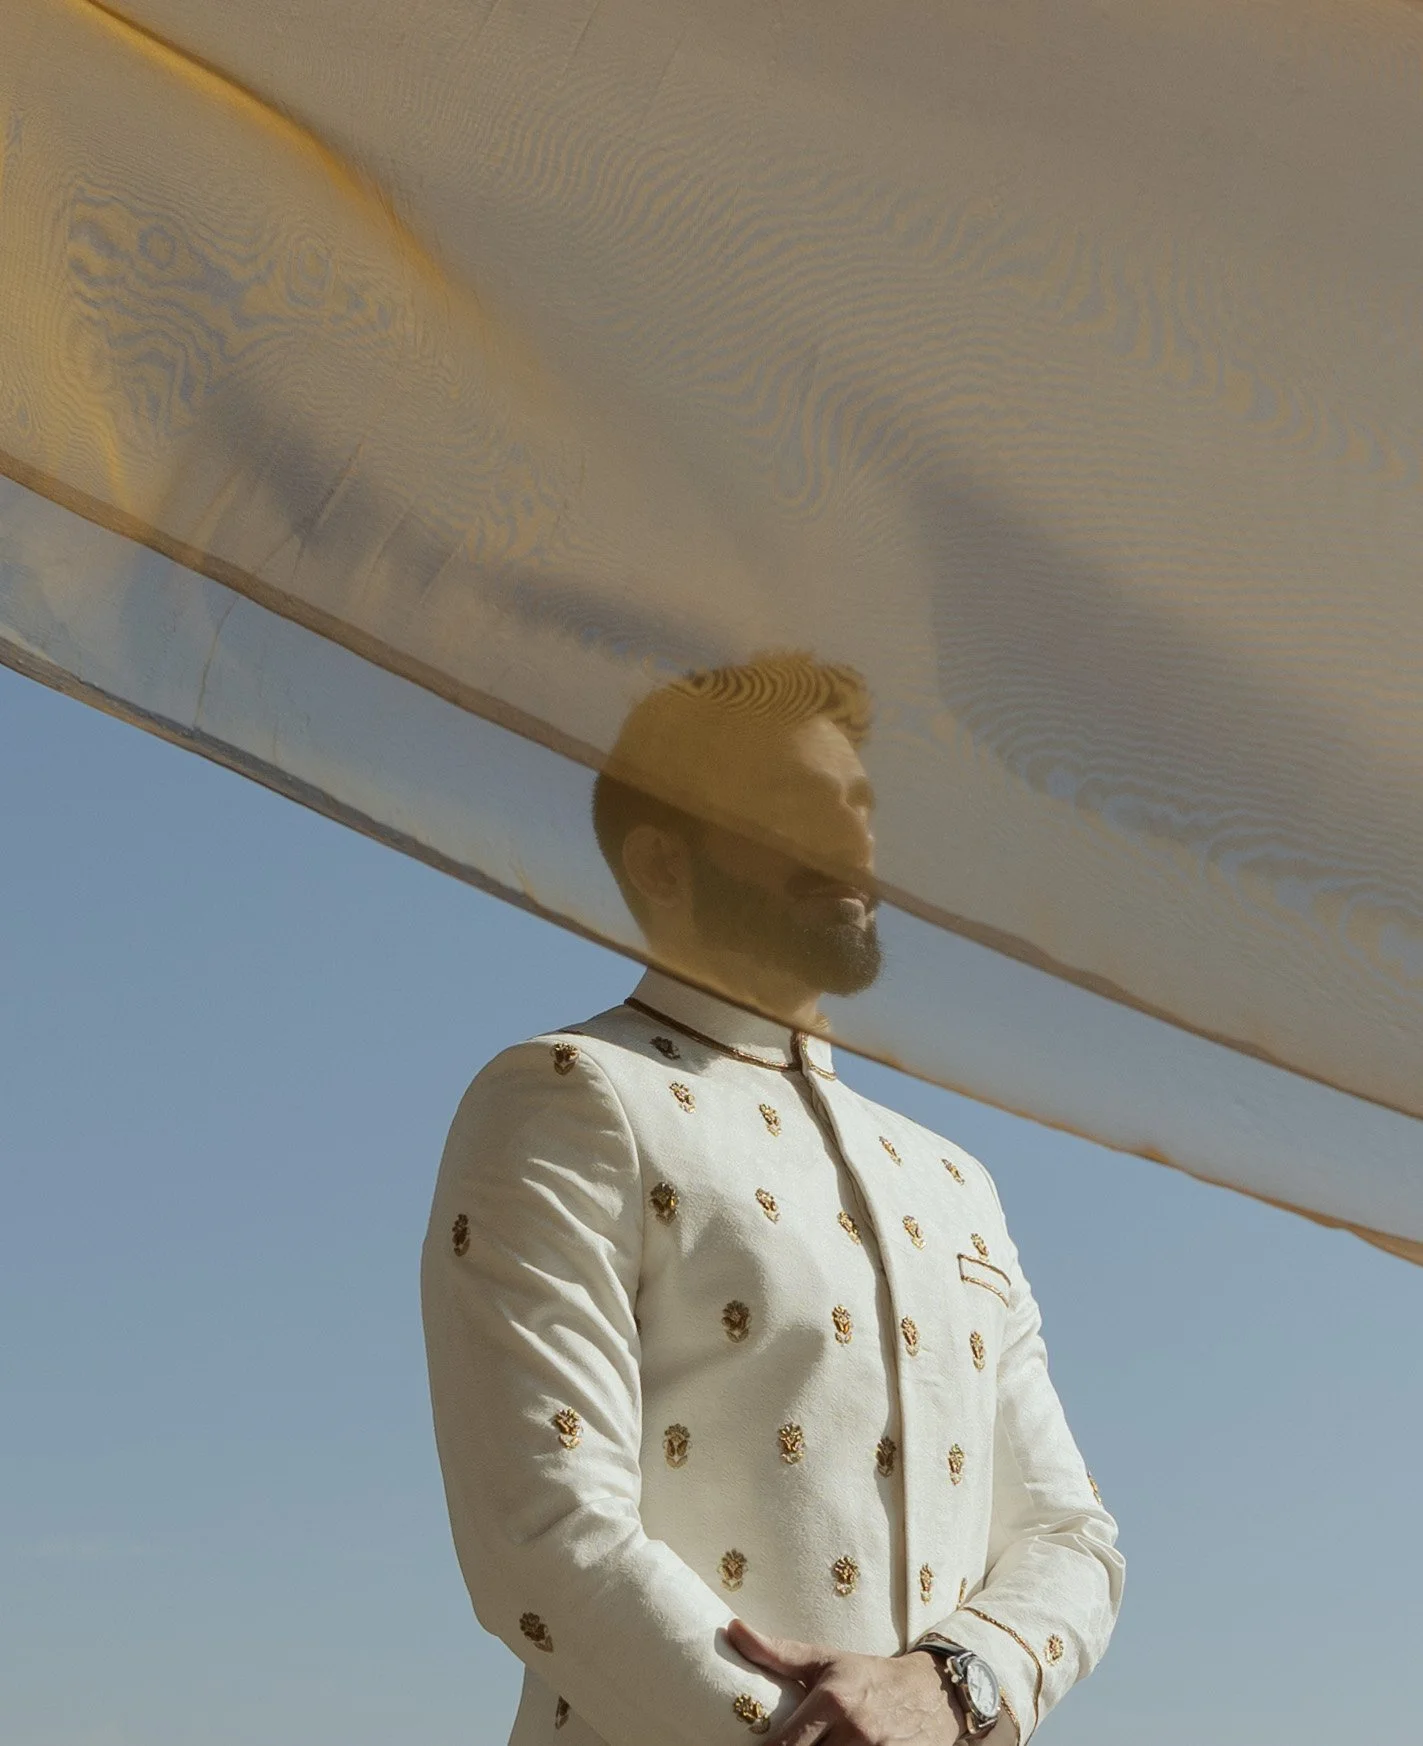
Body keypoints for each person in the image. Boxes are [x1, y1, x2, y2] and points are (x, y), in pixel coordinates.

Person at [421, 650, 1124, 1746]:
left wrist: (953, 1685)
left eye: (862, 805)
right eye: (799, 806)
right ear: (662, 861)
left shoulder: (952, 1183)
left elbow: (1070, 1536)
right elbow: (544, 1534)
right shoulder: (572, 1096)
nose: (857, 846)